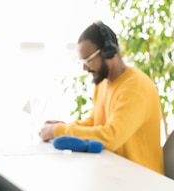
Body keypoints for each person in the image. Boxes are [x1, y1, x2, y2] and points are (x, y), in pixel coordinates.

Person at [39, 21, 164, 174]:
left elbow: (110, 137)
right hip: (115, 172)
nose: (84, 68)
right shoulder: (103, 84)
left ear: (108, 52)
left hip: (142, 180)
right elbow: (94, 122)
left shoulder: (135, 86)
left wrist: (59, 130)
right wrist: (62, 126)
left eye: (88, 60)